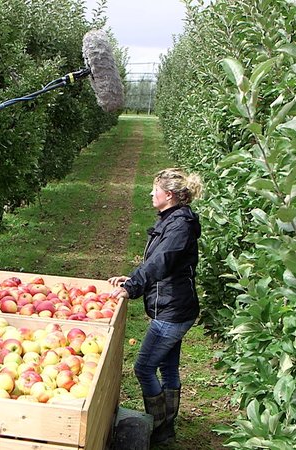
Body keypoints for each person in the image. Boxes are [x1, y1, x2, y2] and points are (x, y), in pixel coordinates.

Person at [108, 168, 202, 445]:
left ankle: (159, 426)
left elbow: (161, 261)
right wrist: (133, 277)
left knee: (144, 368)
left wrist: (133, 286)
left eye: (155, 190)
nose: (151, 194)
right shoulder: (173, 220)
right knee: (168, 368)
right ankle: (166, 427)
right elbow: (159, 263)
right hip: (174, 305)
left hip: (172, 310)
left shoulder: (179, 226)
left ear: (169, 195)